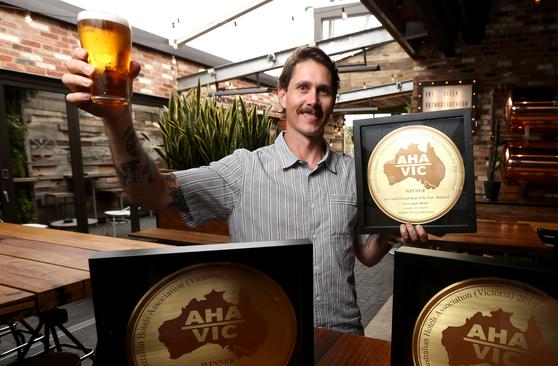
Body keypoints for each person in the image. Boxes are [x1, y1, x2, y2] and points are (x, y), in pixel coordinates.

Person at [63, 45, 428, 334]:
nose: (312, 101)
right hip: (264, 335)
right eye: (302, 87)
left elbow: (364, 255)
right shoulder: (242, 170)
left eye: (324, 91)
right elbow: (151, 193)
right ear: (281, 95)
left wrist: (393, 236)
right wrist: (118, 118)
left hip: (344, 332)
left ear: (333, 100)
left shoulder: (354, 174)